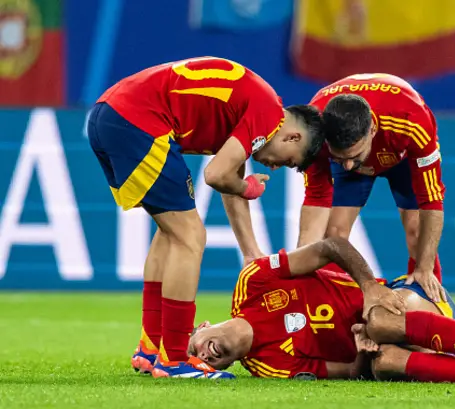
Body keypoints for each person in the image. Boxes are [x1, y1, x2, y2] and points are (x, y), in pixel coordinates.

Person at [87, 56, 325, 379]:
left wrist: (251, 251)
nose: (274, 167)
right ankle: (174, 361)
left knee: (170, 234)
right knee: (191, 238)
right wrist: (248, 187)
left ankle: (149, 348)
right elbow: (216, 175)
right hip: (139, 122)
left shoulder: (258, 106)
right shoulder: (268, 114)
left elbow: (229, 179)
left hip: (111, 114)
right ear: (292, 138)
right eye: (287, 162)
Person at [189, 237, 455, 385]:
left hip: (410, 299)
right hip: (395, 346)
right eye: (205, 364)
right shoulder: (268, 366)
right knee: (383, 361)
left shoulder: (253, 283)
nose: (206, 356)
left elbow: (330, 246)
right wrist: (359, 350)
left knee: (380, 321)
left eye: (196, 348)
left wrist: (369, 289)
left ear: (201, 326)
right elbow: (349, 373)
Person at [297, 73, 446, 304]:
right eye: (339, 157)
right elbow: (316, 199)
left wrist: (425, 268)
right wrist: (300, 274)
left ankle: (431, 305)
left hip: (403, 157)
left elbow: (432, 199)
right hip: (350, 146)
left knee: (417, 230)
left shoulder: (411, 121)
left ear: (373, 130)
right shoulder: (315, 130)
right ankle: (334, 306)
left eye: (353, 155)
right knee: (333, 233)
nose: (347, 165)